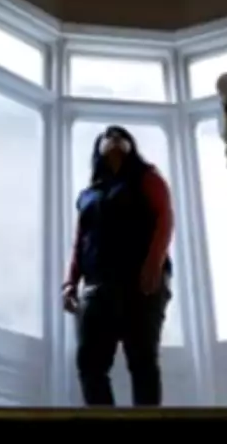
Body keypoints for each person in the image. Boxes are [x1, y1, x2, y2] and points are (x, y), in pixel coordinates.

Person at [62, 125, 174, 407]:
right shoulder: (88, 195)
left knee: (142, 359)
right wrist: (70, 282)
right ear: (98, 149)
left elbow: (165, 219)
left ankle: (146, 424)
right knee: (90, 363)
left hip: (141, 282)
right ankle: (108, 425)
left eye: (120, 136)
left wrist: (153, 264)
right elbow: (80, 241)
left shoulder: (147, 178)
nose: (114, 139)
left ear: (130, 145)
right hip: (98, 286)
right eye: (108, 137)